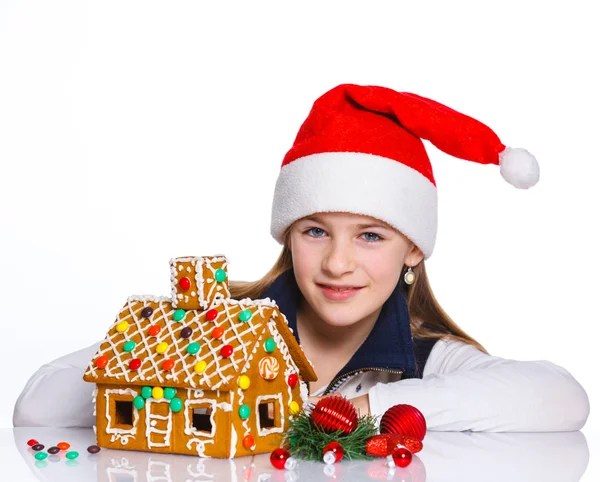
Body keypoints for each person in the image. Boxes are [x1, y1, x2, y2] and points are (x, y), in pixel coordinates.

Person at [14, 83, 589, 432]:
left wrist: (356, 410)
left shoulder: (427, 362)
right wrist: (181, 368)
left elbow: (562, 398)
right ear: (288, 236)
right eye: (316, 231)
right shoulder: (215, 325)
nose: (338, 264)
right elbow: (38, 407)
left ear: (414, 247)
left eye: (371, 236)